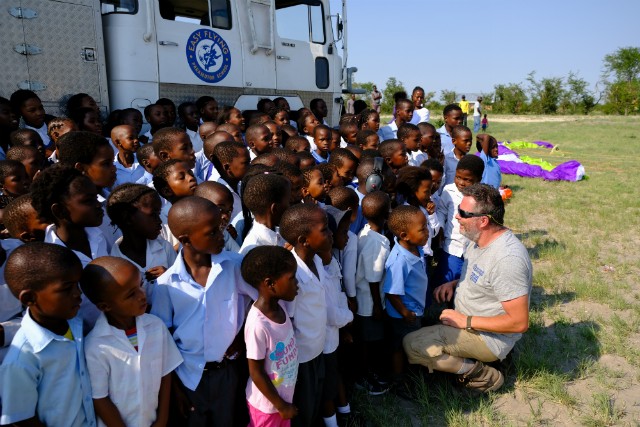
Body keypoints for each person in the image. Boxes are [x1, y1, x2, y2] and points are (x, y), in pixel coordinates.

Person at [404, 183, 532, 392]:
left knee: (412, 345)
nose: (457, 217)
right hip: (466, 319)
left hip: (487, 338)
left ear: (483, 221)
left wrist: (466, 321)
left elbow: (519, 323)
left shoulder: (508, 259)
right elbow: (484, 277)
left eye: (463, 213)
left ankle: (483, 373)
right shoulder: (477, 238)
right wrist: (455, 284)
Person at [151, 196, 254, 426]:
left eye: (220, 228)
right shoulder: (166, 285)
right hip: (187, 376)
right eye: (212, 232)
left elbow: (259, 302)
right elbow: (163, 335)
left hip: (227, 371)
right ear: (185, 239)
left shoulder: (234, 266)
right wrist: (174, 387)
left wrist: (241, 336)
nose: (221, 236)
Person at [0, 242, 96, 426]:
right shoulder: (21, 358)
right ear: (30, 298)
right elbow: (22, 419)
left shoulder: (77, 324)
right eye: (67, 289)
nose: (78, 294)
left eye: (77, 285)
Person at [82, 256, 183, 427]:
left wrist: (162, 419)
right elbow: (100, 398)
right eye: (131, 294)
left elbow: (165, 373)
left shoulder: (156, 326)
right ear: (105, 306)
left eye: (140, 285)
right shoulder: (96, 346)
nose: (142, 295)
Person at [32, 166, 109, 330]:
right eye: (88, 201)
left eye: (96, 198)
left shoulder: (99, 235)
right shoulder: (50, 259)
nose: (98, 205)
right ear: (59, 210)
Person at [279, 203, 332, 427]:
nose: (330, 233)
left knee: (315, 400)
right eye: (324, 229)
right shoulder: (292, 275)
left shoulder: (317, 260)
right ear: (304, 240)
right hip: (300, 358)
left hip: (317, 347)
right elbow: (286, 319)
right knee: (303, 406)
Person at [241, 246, 300, 426]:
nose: (297, 283)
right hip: (267, 407)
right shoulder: (258, 324)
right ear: (270, 283)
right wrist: (281, 406)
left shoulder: (279, 307)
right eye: (292, 278)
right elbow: (256, 371)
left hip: (282, 401)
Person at [106, 184, 177, 301]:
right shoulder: (114, 262)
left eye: (158, 214)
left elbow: (183, 284)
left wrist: (168, 276)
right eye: (153, 215)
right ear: (128, 218)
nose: (159, 221)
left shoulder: (164, 247)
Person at [383, 205, 430, 382]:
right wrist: (404, 313)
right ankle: (399, 379)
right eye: (422, 229)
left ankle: (410, 373)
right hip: (404, 314)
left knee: (410, 343)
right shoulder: (399, 261)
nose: (427, 232)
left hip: (414, 308)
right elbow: (391, 292)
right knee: (400, 347)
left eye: (426, 226)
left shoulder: (416, 248)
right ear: (404, 236)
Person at [319, 206, 354, 427]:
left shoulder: (331, 261)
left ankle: (346, 413)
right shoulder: (319, 269)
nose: (345, 238)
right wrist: (349, 317)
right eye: (341, 233)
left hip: (334, 337)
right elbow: (332, 313)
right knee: (326, 388)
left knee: (335, 376)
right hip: (322, 342)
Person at [354, 191, 391, 395]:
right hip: (369, 303)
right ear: (386, 214)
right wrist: (378, 306)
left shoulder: (367, 231)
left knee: (368, 342)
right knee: (368, 343)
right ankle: (365, 377)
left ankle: (368, 373)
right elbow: (374, 278)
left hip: (367, 299)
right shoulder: (375, 242)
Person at [435, 155, 484, 287]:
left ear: (478, 180)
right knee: (446, 281)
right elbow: (442, 211)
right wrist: (439, 228)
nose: (461, 182)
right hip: (452, 247)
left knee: (468, 283)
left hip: (474, 248)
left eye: (467, 180)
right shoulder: (449, 191)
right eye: (458, 177)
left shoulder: (482, 196)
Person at [239, 173, 290, 254]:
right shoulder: (254, 249)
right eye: (288, 202)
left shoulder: (280, 233)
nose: (290, 207)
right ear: (275, 208)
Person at [194, 181, 241, 253]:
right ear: (199, 207)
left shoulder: (224, 234)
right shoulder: (192, 239)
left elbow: (239, 257)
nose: (226, 216)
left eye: (229, 211)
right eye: (220, 209)